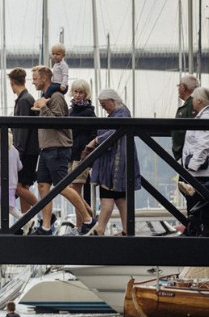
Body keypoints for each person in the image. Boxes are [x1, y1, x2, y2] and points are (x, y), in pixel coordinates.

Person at [29, 65, 92, 234]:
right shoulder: (46, 97)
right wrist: (40, 108)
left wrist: (42, 107)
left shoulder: (56, 96)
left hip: (57, 148)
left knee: (62, 186)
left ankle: (88, 219)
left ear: (44, 78)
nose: (33, 82)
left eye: (35, 78)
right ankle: (46, 227)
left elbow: (57, 122)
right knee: (43, 185)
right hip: (46, 148)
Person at [86, 88, 139, 236]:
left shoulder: (121, 114)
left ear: (112, 101)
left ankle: (100, 229)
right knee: (119, 197)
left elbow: (114, 132)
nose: (103, 108)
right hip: (115, 162)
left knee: (109, 196)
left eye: (104, 105)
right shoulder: (122, 112)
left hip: (114, 163)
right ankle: (125, 230)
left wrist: (96, 140)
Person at [178, 87, 209, 235]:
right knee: (208, 202)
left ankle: (197, 231)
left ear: (198, 100)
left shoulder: (207, 117)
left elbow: (203, 145)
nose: (192, 101)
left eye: (193, 98)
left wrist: (192, 167)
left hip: (203, 169)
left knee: (197, 201)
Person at [8, 67, 41, 219]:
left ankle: (45, 211)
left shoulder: (23, 101)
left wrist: (17, 153)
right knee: (24, 186)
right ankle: (26, 221)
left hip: (25, 151)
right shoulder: (28, 99)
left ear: (11, 82)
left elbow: (22, 130)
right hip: (31, 150)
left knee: (18, 188)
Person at [67, 80, 99, 234]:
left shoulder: (89, 112)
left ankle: (80, 226)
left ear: (86, 94)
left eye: (81, 92)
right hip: (70, 154)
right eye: (75, 92)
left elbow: (94, 135)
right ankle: (90, 215)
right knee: (69, 189)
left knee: (75, 190)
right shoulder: (70, 111)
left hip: (82, 155)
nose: (78, 95)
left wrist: (90, 155)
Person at [172, 75, 199, 160]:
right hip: (187, 153)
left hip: (188, 154)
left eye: (179, 86)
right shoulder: (192, 104)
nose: (178, 89)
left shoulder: (192, 105)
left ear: (184, 87)